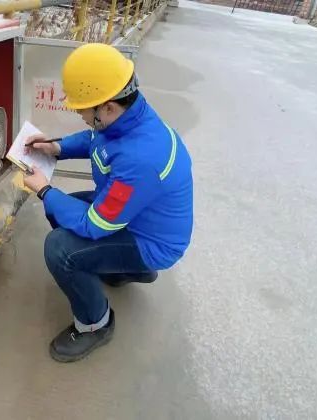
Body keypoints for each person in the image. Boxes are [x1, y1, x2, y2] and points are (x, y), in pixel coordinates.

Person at [23, 43, 193, 363]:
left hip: (150, 241)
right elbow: (94, 139)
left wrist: (45, 190)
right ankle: (123, 269)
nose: (79, 115)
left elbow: (95, 224)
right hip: (139, 217)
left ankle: (95, 325)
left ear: (108, 107)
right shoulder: (129, 118)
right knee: (63, 211)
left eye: (83, 110)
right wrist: (55, 147)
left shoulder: (141, 158)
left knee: (59, 247)